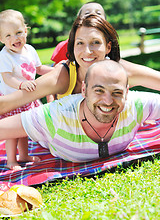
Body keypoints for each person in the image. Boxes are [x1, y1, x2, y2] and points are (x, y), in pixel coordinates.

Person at [0, 60, 160, 162]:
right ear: (84, 89)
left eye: (117, 92)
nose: (108, 101)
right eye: (99, 90)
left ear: (127, 92)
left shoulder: (135, 105)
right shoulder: (57, 115)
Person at [0, 14, 160, 115]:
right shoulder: (63, 75)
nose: (88, 51)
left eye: (95, 42)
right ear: (72, 47)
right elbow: (7, 104)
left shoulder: (122, 71)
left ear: (108, 47)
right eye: (80, 43)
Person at [0, 9, 53, 169]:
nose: (14, 38)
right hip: (13, 99)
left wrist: (57, 71)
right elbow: (7, 77)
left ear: (26, 31)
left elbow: (39, 68)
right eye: (8, 35)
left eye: (18, 32)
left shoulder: (29, 50)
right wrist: (21, 84)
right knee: (11, 132)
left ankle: (23, 155)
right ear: (1, 38)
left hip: (27, 98)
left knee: (23, 128)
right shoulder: (5, 55)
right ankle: (11, 160)